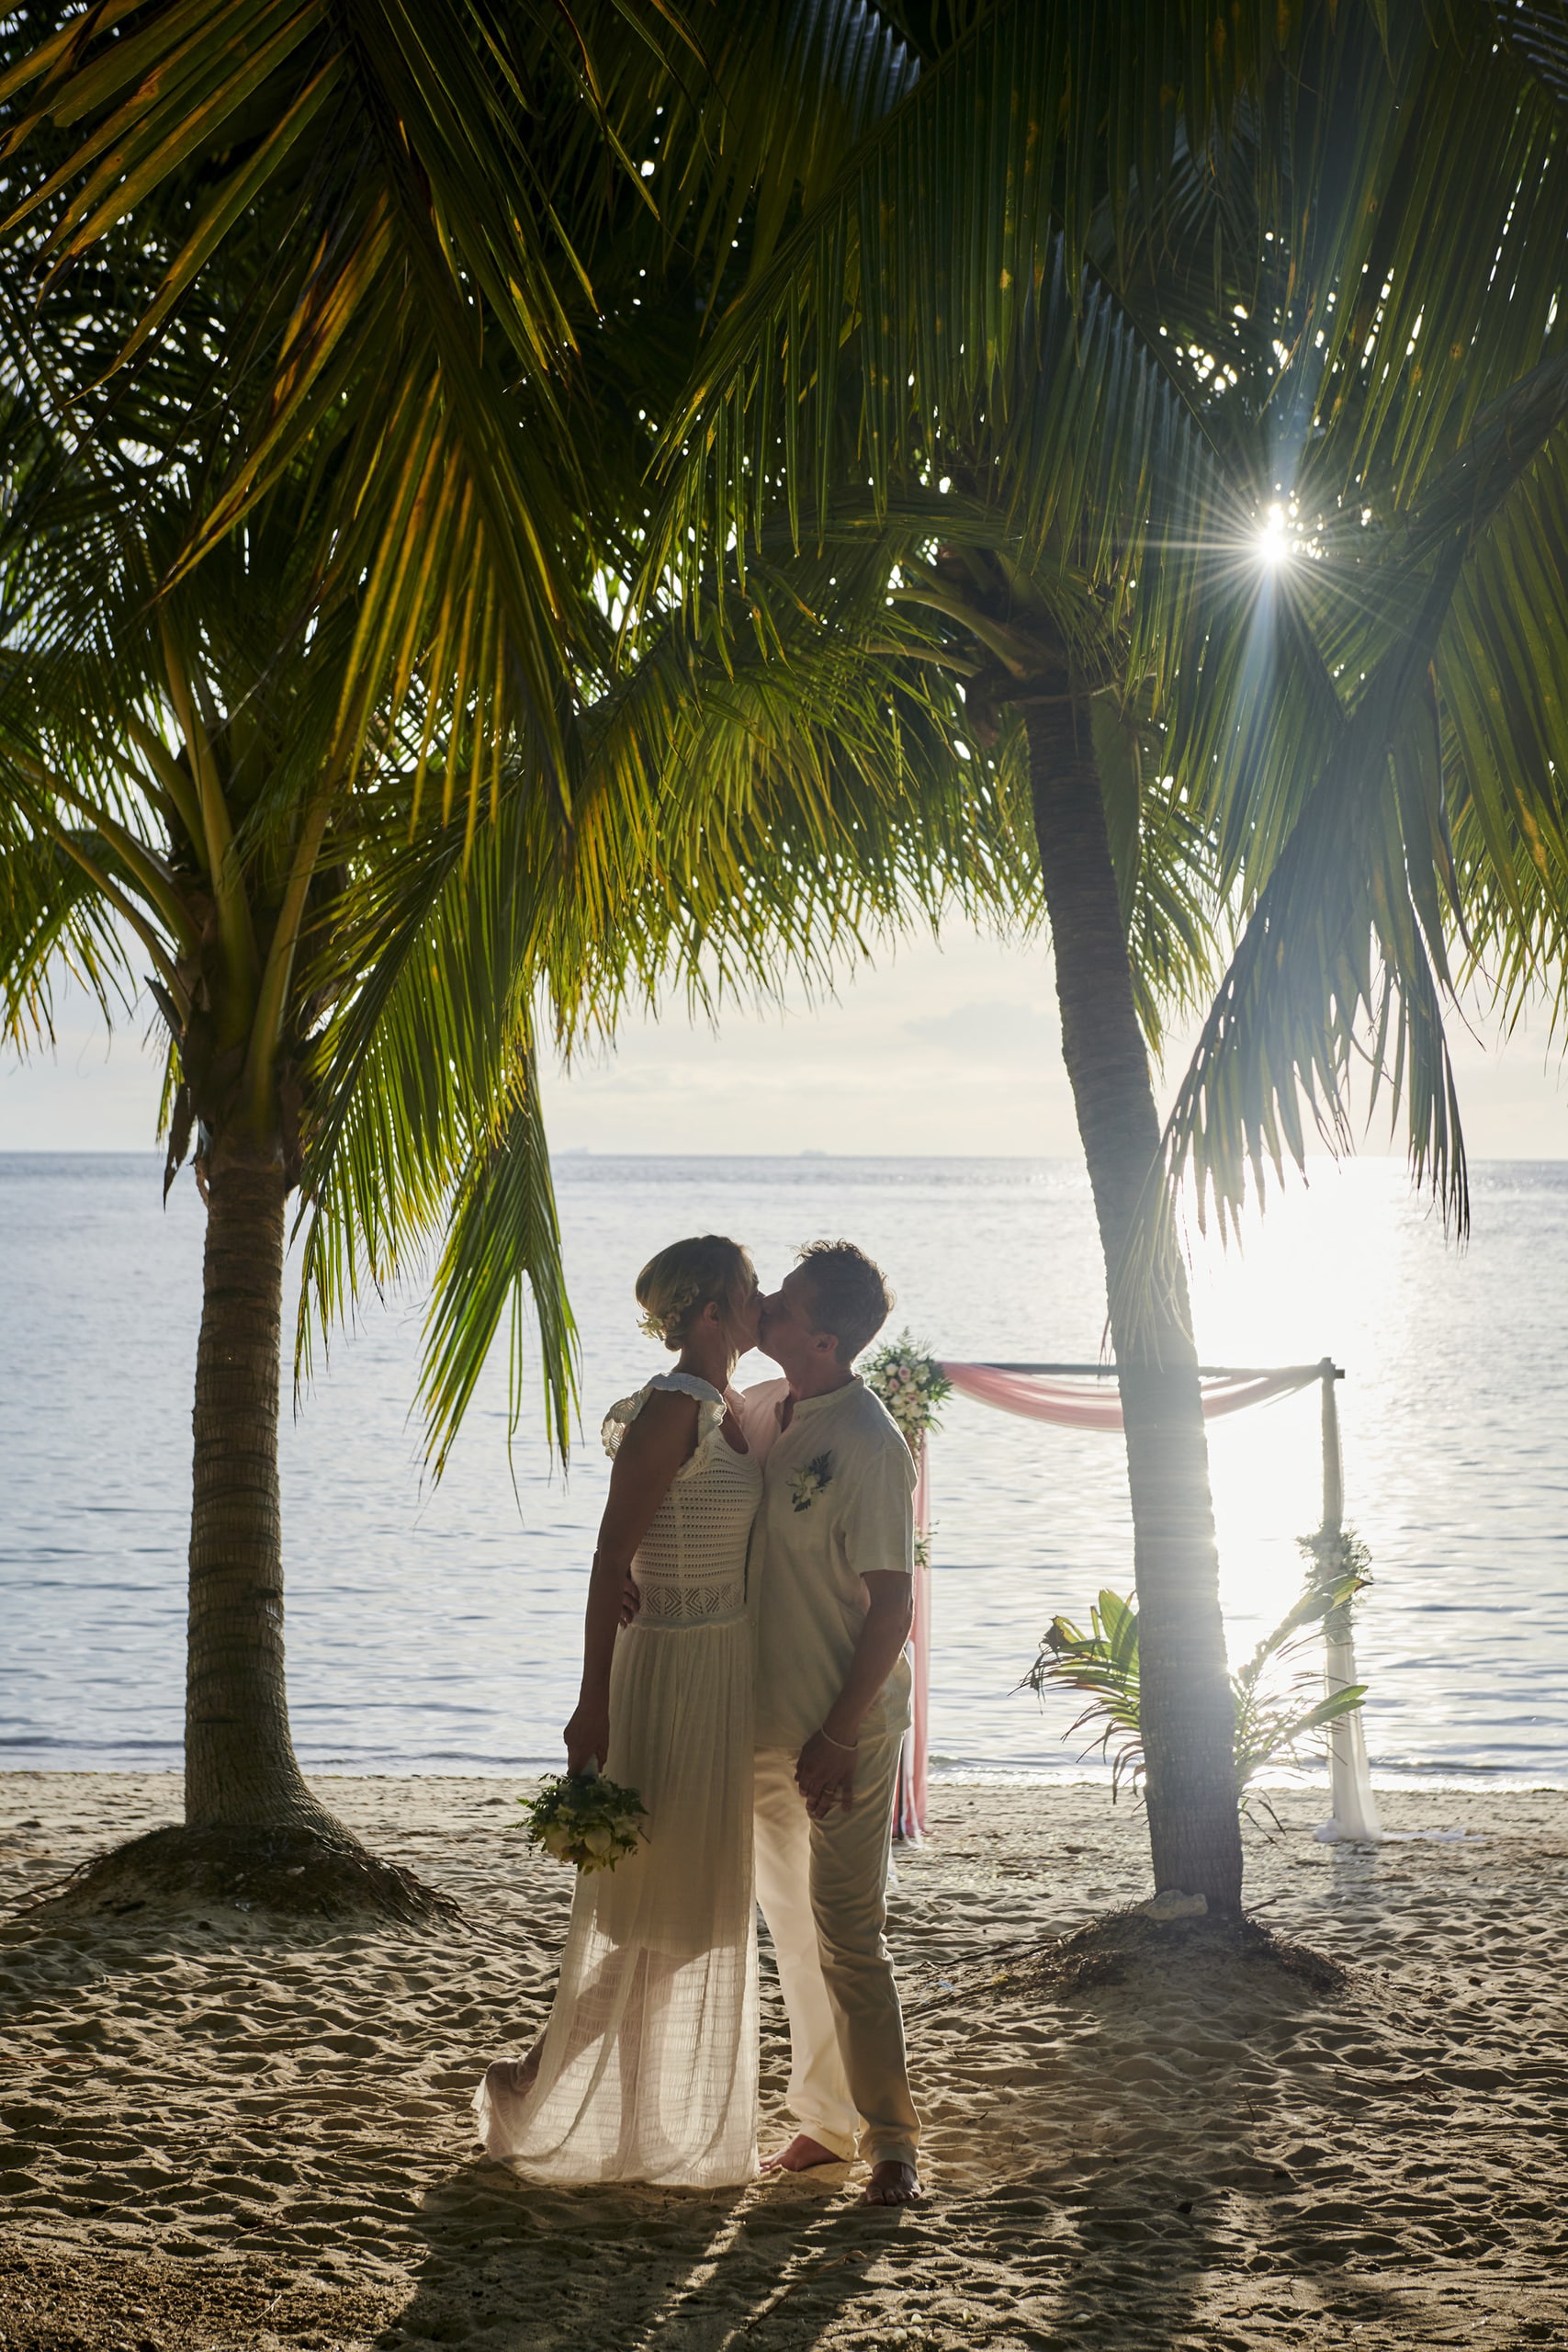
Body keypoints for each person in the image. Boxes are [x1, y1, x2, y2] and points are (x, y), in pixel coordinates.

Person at [475, 1235, 763, 2188]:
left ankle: (575, 2096)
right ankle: (545, 2087)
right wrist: (590, 1705)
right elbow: (609, 1559)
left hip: (720, 1671)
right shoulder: (671, 1412)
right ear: (712, 1311)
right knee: (657, 1916)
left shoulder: (727, 1409)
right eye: (749, 1292)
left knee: (689, 1918)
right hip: (666, 1676)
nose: (760, 1306)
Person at [739, 1239, 923, 2207]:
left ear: (822, 1336)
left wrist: (840, 1732)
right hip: (761, 1724)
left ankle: (892, 2140)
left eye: (782, 1300)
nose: (762, 1304)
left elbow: (892, 1607)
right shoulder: (768, 1410)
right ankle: (823, 2120)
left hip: (841, 1726)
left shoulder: (868, 1441)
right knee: (790, 1932)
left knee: (849, 1933)